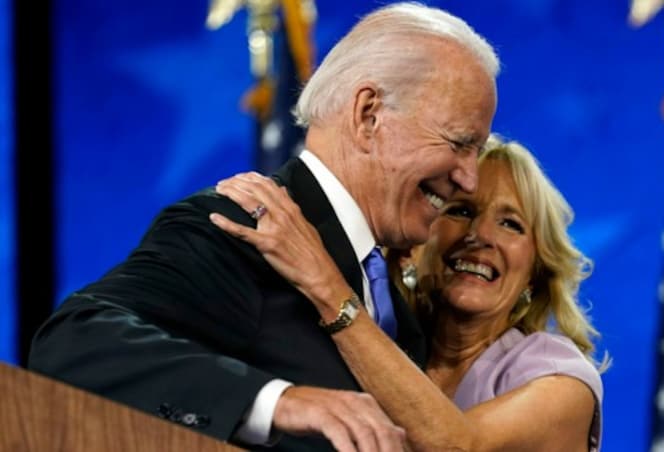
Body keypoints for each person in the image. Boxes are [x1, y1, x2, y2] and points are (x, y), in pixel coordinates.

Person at [27, 2, 499, 451]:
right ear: (368, 115)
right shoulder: (243, 227)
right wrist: (276, 400)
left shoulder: (393, 301)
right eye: (459, 143)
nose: (469, 178)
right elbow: (75, 342)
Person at [211, 135, 610, 451]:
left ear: (535, 276)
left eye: (511, 224)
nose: (480, 236)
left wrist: (324, 284)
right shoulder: (379, 345)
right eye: (461, 211)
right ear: (411, 251)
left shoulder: (562, 382)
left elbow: (457, 446)